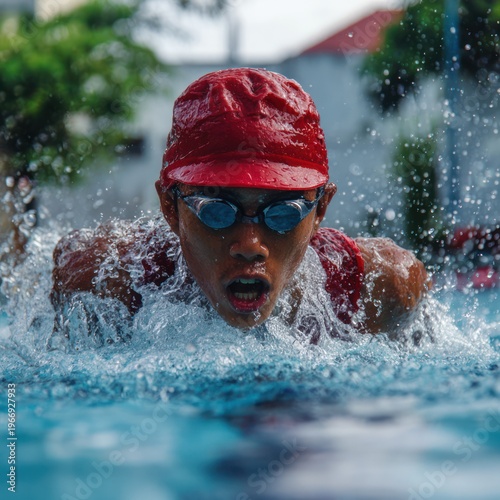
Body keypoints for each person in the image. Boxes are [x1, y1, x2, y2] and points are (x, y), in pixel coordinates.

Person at [51, 68, 431, 341]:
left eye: (283, 213)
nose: (250, 245)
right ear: (170, 208)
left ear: (320, 210)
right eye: (217, 210)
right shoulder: (103, 284)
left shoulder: (379, 288)